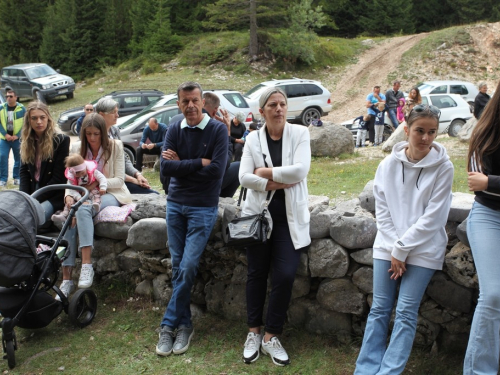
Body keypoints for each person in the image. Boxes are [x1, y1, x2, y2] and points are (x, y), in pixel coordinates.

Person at [354, 104, 453, 375]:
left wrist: (403, 248)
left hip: (424, 249)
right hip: (388, 245)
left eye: (432, 132)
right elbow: (382, 210)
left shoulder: (444, 167)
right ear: (406, 130)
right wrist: (396, 247)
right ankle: (365, 369)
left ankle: (390, 372)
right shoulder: (387, 165)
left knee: (406, 313)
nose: (426, 138)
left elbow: (434, 217)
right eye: (419, 131)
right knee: (380, 309)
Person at [239, 87, 311, 367]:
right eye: (272, 105)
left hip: (289, 220)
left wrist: (263, 173)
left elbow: (301, 170)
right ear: (262, 111)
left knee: (284, 275)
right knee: (256, 274)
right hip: (258, 217)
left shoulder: (300, 134)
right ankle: (253, 332)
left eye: (282, 104)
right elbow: (243, 177)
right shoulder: (253, 139)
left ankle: (271, 335)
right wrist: (274, 183)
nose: (279, 109)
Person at [156, 82, 228, 357]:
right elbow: (165, 167)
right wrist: (199, 162)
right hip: (175, 206)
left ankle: (167, 324)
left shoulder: (218, 130)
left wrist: (182, 165)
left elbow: (218, 172)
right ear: (178, 104)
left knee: (187, 267)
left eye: (194, 100)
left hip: (202, 207)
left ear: (202, 102)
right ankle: (184, 325)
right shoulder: (174, 127)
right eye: (185, 101)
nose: (190, 106)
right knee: (177, 266)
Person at [59, 113, 132, 297]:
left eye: (96, 134)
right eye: (88, 134)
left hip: (109, 193)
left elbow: (120, 180)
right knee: (71, 215)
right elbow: (70, 178)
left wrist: (95, 185)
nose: (92, 138)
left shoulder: (115, 146)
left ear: (103, 133)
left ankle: (86, 265)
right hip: (81, 195)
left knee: (83, 209)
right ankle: (66, 279)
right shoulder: (77, 148)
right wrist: (68, 196)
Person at [464, 80, 500, 374]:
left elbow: (486, 182)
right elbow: (478, 184)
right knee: (493, 295)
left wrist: (492, 182)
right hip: (489, 216)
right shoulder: (486, 130)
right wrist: (488, 184)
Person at [165, 92, 240, 198]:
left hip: (171, 183)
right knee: (237, 166)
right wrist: (226, 132)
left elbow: (166, 165)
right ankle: (221, 200)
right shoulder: (213, 128)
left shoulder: (174, 121)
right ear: (215, 111)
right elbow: (224, 165)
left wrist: (180, 164)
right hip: (199, 187)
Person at [95, 97, 159, 195]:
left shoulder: (114, 130)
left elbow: (123, 157)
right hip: (106, 185)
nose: (117, 115)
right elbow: (107, 171)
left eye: (117, 111)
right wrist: (133, 180)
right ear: (101, 115)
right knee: (152, 194)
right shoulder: (95, 136)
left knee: (154, 193)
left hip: (121, 179)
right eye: (113, 112)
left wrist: (137, 174)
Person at [19, 101, 70, 223]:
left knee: (32, 219)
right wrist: (24, 198)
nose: (39, 122)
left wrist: (34, 199)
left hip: (52, 193)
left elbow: (59, 178)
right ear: (29, 121)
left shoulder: (60, 141)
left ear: (48, 118)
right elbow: (24, 173)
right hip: (32, 191)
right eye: (34, 118)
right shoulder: (26, 141)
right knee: (16, 215)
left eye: (42, 117)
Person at [51, 153, 107, 222]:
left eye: (82, 173)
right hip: (78, 193)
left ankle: (96, 203)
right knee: (70, 202)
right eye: (78, 174)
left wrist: (103, 187)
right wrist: (79, 199)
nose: (80, 175)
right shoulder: (72, 177)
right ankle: (64, 215)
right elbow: (71, 189)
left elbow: (102, 178)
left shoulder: (92, 171)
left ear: (85, 167)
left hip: (91, 189)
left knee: (95, 194)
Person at [0, 90, 26, 186]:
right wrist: (5, 134)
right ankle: (3, 179)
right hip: (4, 139)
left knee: (18, 158)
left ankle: (17, 177)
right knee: (2, 157)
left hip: (17, 139)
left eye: (11, 96)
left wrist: (18, 135)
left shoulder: (22, 108)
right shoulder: (1, 108)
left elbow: (25, 123)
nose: (8, 98)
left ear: (16, 97)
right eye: (7, 96)